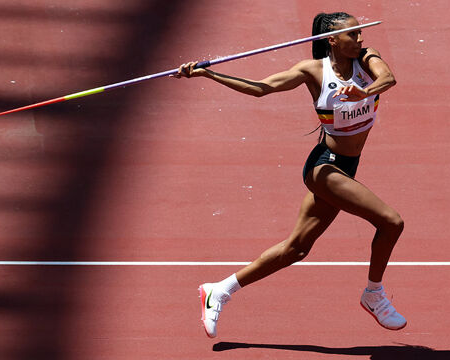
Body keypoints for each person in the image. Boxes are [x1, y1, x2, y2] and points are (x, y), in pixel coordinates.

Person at [172, 12, 407, 338]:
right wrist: (210, 76)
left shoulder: (367, 60)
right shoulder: (312, 71)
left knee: (296, 249)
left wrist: (362, 92)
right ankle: (374, 294)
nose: (360, 39)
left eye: (360, 33)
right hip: (325, 167)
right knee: (391, 221)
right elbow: (261, 88)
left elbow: (388, 79)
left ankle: (218, 290)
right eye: (352, 35)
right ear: (332, 39)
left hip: (348, 167)